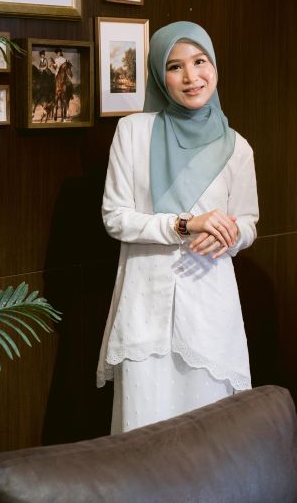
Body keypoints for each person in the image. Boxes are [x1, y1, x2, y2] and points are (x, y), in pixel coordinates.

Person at [96, 21, 259, 434]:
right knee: (143, 430)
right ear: (159, 75)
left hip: (210, 306)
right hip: (145, 307)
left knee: (209, 436)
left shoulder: (237, 147)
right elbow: (115, 217)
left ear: (214, 65)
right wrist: (185, 224)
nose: (191, 76)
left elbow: (248, 223)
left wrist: (229, 233)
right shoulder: (133, 132)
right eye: (175, 66)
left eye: (200, 61)